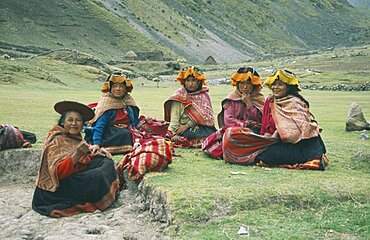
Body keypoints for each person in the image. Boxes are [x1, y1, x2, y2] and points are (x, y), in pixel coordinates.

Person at [223, 70, 328, 170]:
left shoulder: (295, 103)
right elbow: (263, 123)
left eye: (280, 84)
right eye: (273, 84)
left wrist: (278, 132)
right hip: (272, 140)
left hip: (295, 144)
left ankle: (313, 158)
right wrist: (264, 137)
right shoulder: (270, 100)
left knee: (265, 156)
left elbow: (298, 131)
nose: (275, 87)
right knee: (231, 134)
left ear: (288, 87)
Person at [32, 101, 119, 217]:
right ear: (63, 122)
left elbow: (84, 158)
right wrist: (76, 155)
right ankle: (98, 198)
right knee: (97, 175)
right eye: (70, 120)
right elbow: (58, 173)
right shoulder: (56, 140)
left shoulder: (75, 138)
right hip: (59, 188)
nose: (74, 123)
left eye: (78, 120)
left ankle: (102, 192)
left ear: (83, 124)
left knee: (105, 161)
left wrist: (96, 152)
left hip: (75, 174)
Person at [86, 71, 140, 154]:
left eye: (121, 86)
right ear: (109, 88)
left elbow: (135, 119)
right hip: (108, 132)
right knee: (125, 134)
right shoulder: (106, 104)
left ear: (126, 89)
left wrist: (130, 125)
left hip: (126, 128)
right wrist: (96, 143)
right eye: (114, 86)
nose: (118, 89)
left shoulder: (128, 101)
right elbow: (100, 125)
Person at [164, 66, 216, 148]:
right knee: (192, 135)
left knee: (212, 134)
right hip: (183, 129)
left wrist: (188, 124)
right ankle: (179, 138)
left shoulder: (203, 95)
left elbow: (207, 117)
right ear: (184, 82)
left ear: (198, 82)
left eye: (193, 81)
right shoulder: (179, 96)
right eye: (188, 81)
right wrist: (172, 134)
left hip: (200, 127)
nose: (190, 84)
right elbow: (174, 118)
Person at [217, 66, 265, 133]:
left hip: (256, 132)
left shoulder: (259, 99)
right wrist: (246, 124)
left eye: (248, 83)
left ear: (254, 85)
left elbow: (262, 120)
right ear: (237, 85)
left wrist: (249, 104)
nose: (245, 87)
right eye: (242, 83)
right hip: (235, 132)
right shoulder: (231, 99)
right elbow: (228, 120)